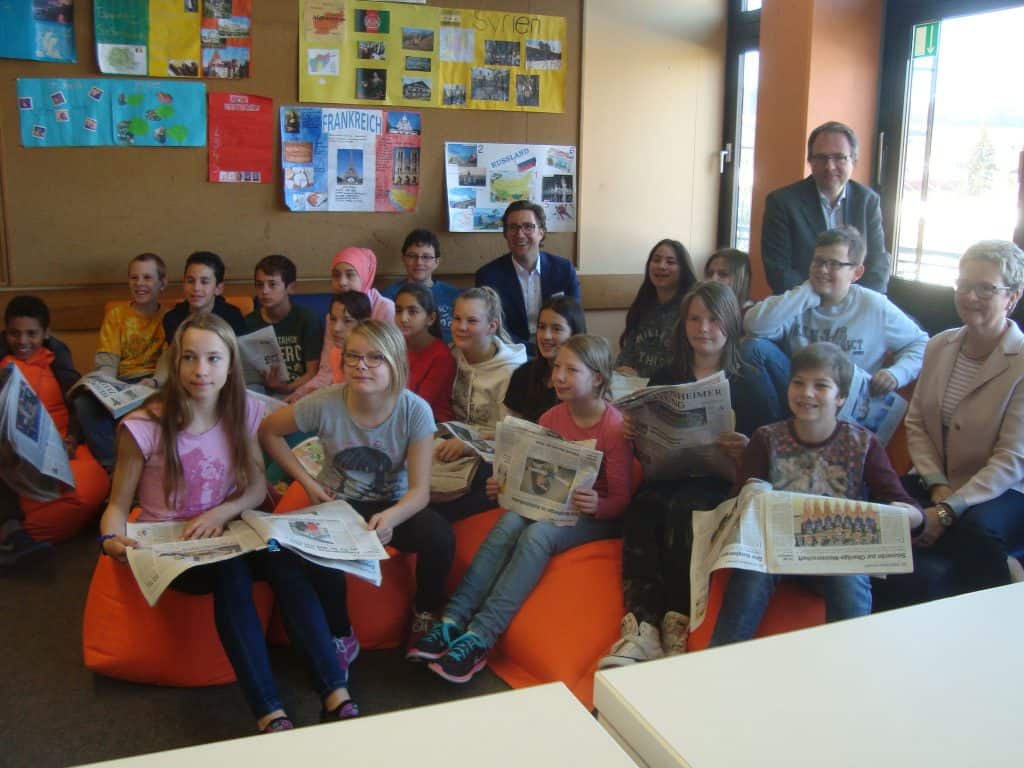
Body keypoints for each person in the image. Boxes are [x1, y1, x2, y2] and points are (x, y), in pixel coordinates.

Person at [99, 314, 358, 732]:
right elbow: (116, 504)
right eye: (190, 358)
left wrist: (218, 513)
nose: (202, 371)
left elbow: (256, 489)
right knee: (232, 573)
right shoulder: (143, 424)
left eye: (214, 359)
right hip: (174, 546)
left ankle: (335, 693)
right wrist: (111, 540)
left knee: (285, 561)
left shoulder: (245, 411)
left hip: (228, 530)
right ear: (175, 363)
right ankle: (269, 711)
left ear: (230, 365)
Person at [409, 335, 632, 683]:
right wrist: (506, 486)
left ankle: (482, 635)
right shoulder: (551, 417)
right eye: (557, 367)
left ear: (598, 378)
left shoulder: (614, 428)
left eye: (571, 370)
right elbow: (532, 474)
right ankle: (452, 620)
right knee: (509, 522)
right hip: (551, 503)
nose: (558, 376)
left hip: (594, 516)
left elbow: (621, 499)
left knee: (537, 536)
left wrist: (598, 505)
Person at [599, 281, 784, 667]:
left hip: (722, 484)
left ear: (731, 323)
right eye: (695, 319)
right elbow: (645, 441)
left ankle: (676, 621)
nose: (703, 328)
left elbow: (774, 452)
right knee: (643, 509)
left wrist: (747, 446)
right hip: (669, 475)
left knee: (686, 511)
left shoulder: (750, 378)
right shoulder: (669, 372)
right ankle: (641, 625)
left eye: (714, 320)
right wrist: (635, 432)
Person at [260, 320, 455, 659]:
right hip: (338, 502)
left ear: (395, 363)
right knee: (319, 557)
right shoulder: (325, 402)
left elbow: (420, 491)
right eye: (353, 357)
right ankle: (341, 632)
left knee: (439, 536)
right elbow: (268, 431)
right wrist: (306, 481)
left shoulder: (415, 411)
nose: (361, 366)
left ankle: (425, 612)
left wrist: (391, 517)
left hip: (394, 503)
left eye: (374, 358)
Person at [707, 343, 924, 647]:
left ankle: (850, 660)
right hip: (776, 553)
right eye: (799, 383)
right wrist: (749, 496)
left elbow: (907, 507)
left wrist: (903, 516)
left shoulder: (863, 443)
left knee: (848, 578)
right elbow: (737, 500)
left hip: (834, 555)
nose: (806, 393)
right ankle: (719, 660)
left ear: (841, 397)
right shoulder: (766, 438)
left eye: (820, 386)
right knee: (750, 577)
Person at [896, 240, 1024, 598]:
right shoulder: (939, 344)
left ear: (1012, 296)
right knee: (884, 505)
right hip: (940, 477)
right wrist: (937, 486)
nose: (970, 296)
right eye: (965, 285)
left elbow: (1011, 460)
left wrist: (947, 510)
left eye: (986, 288)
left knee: (975, 530)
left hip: (1003, 488)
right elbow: (917, 422)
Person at [743, 226, 927, 417]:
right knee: (752, 348)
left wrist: (896, 374)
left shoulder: (874, 306)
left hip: (848, 405)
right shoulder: (798, 302)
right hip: (800, 397)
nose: (823, 270)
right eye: (818, 261)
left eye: (834, 264)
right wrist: (805, 293)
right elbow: (753, 326)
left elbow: (920, 343)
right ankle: (778, 434)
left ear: (856, 273)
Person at [0, 296, 110, 566]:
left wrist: (71, 438)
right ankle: (12, 531)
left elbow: (74, 403)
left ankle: (17, 538)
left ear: (46, 334)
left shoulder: (56, 360)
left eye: (31, 334)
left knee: (91, 482)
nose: (23, 341)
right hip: (8, 447)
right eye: (14, 333)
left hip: (55, 439)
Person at [762, 121, 891, 294]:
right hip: (803, 307)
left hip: (856, 308)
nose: (830, 167)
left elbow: (877, 265)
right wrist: (825, 304)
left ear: (854, 160)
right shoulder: (782, 203)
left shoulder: (868, 201)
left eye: (839, 157)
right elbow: (779, 272)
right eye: (821, 158)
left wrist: (852, 306)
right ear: (810, 161)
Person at [433, 287, 527, 521]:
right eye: (457, 319)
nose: (461, 327)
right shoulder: (451, 355)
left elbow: (513, 437)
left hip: (488, 450)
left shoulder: (511, 372)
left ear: (492, 326)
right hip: (448, 440)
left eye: (472, 321)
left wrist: (468, 445)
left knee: (490, 480)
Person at [73, 252, 167, 470]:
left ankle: (151, 469)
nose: (139, 284)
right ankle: (114, 469)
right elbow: (107, 362)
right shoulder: (117, 315)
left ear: (162, 283)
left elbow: (167, 360)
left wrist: (154, 382)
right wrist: (105, 386)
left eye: (147, 278)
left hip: (152, 382)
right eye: (134, 278)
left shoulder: (168, 318)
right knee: (83, 403)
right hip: (120, 380)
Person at [290, 247, 394, 400]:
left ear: (364, 276)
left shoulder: (385, 308)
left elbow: (387, 367)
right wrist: (301, 394)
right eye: (336, 276)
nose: (342, 283)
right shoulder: (334, 313)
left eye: (350, 275)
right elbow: (327, 370)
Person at [475, 201, 580, 348]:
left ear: (541, 232)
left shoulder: (563, 270)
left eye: (528, 226)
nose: (520, 234)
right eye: (513, 227)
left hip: (558, 350)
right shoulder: (488, 276)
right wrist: (531, 350)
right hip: (511, 352)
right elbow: (495, 328)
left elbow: (575, 321)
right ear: (505, 234)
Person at [616, 239, 697, 378]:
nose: (661, 266)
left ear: (683, 269)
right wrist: (622, 370)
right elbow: (627, 354)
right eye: (656, 260)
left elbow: (688, 363)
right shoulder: (643, 303)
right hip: (635, 388)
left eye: (670, 262)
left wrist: (642, 376)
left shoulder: (690, 308)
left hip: (672, 389)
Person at [244, 254, 323, 397]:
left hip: (297, 390)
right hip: (260, 391)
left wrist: (287, 388)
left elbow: (312, 372)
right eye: (259, 285)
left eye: (272, 284)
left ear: (290, 287)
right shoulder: (249, 322)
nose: (265, 291)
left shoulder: (307, 319)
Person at [504, 295, 586, 422]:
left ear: (574, 334)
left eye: (556, 329)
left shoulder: (584, 381)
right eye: (541, 327)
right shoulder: (523, 374)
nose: (546, 336)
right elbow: (510, 426)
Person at [382, 229, 459, 343]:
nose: (419, 262)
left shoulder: (454, 296)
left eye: (426, 257)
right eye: (412, 256)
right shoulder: (388, 296)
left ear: (437, 261)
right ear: (403, 259)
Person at [395, 284, 456, 423]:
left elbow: (420, 405)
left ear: (431, 318)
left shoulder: (442, 357)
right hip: (399, 417)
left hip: (433, 424)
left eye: (412, 311)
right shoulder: (396, 345)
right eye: (398, 310)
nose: (403, 318)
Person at [161, 251, 248, 342]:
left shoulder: (232, 317)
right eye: (190, 281)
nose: (196, 288)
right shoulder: (172, 318)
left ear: (218, 288)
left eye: (204, 282)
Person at [323, 291, 372, 384]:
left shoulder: (372, 360)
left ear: (365, 324)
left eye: (347, 321)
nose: (336, 328)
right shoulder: (336, 352)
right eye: (333, 319)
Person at [704, 247, 753, 313]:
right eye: (710, 274)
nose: (713, 279)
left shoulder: (751, 317)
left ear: (740, 280)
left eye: (723, 274)